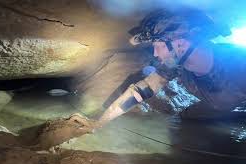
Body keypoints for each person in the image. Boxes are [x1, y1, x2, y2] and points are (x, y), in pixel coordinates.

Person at [98, 8, 246, 124]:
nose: (155, 53)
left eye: (158, 45)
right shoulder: (175, 62)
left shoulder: (239, 64)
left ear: (180, 43)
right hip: (217, 105)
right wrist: (98, 124)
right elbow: (142, 89)